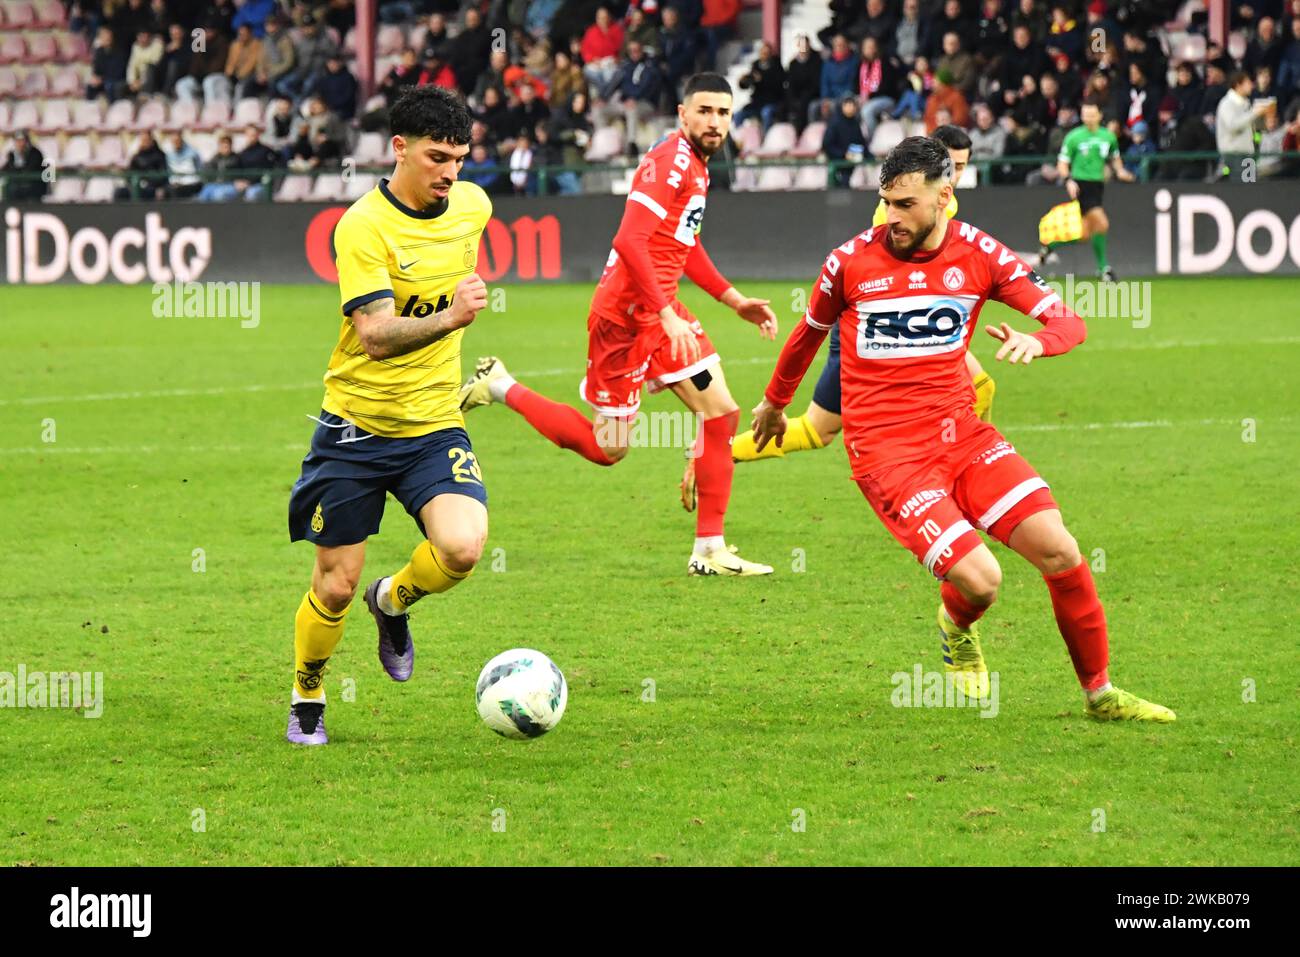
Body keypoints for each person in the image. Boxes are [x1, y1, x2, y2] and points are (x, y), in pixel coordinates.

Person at [751, 135, 1175, 724]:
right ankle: (956, 626)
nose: (892, 218)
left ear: (944, 196)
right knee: (983, 581)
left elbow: (1066, 320)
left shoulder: (981, 254)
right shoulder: (849, 262)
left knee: (1060, 548)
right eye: (887, 202)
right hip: (888, 456)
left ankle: (1100, 694)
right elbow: (806, 336)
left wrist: (1040, 340)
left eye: (906, 205)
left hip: (965, 438)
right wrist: (775, 403)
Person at [459, 74, 778, 577]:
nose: (715, 121)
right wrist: (666, 311)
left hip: (662, 311)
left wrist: (732, 299)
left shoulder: (698, 165)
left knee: (720, 415)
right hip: (625, 321)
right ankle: (500, 385)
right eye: (705, 111)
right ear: (682, 113)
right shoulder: (671, 162)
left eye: (723, 112)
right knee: (610, 449)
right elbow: (630, 241)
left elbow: (681, 244)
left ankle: (709, 551)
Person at [284, 87, 492, 746]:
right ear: (398, 147)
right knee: (335, 586)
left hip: (432, 422)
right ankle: (308, 690)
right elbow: (373, 335)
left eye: (459, 157)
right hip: (354, 427)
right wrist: (453, 317)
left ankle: (393, 600)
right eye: (437, 157)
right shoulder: (362, 226)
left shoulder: (473, 207)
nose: (450, 172)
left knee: (462, 546)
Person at [734, 126, 997, 463]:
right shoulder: (896, 214)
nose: (955, 175)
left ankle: (975, 461)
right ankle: (719, 454)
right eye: (950, 165)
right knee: (818, 429)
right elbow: (887, 272)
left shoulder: (944, 202)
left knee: (982, 387)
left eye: (961, 167)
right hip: (871, 326)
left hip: (913, 320)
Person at [1035, 98, 1134, 281]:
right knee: (1102, 223)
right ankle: (1104, 269)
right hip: (1081, 185)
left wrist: (1120, 171)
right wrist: (1068, 180)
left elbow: (1114, 156)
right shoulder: (1074, 137)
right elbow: (1062, 163)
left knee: (1085, 234)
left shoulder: (1108, 137)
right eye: (1084, 114)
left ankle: (1049, 246)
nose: (1088, 118)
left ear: (1099, 115)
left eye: (1091, 114)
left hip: (1098, 186)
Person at [1, 131, 47, 201]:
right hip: (17, 188)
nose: (20, 143)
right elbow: (7, 168)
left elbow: (29, 170)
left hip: (33, 187)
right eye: (17, 141)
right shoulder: (12, 155)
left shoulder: (35, 153)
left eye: (22, 140)